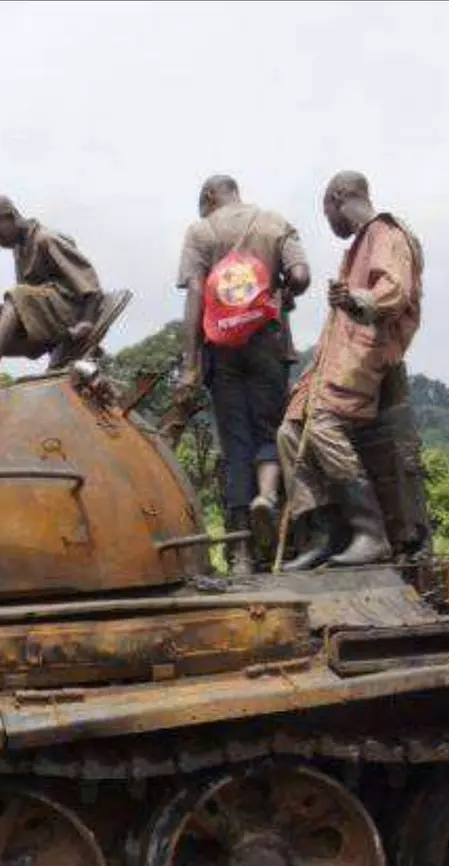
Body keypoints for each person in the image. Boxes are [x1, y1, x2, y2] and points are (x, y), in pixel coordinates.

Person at [275, 171, 425, 570]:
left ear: (338, 198)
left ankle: (370, 532)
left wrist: (356, 299)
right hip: (335, 357)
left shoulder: (384, 232)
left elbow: (394, 290)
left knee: (321, 423)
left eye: (328, 213)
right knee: (291, 431)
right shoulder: (357, 247)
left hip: (365, 354)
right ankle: (323, 534)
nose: (330, 224)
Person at [171, 174, 311, 574]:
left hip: (222, 348)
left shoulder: (201, 231)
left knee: (235, 446)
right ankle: (267, 496)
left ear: (210, 197)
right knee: (270, 431)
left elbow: (196, 294)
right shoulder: (273, 223)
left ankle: (242, 554)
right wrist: (281, 291)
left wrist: (191, 364)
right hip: (268, 342)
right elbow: (301, 276)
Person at [0, 196, 105, 379]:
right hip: (42, 315)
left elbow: (90, 285)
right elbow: (20, 304)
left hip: (69, 312)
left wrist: (87, 321)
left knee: (17, 295)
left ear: (10, 216)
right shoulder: (18, 250)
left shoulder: (45, 239)